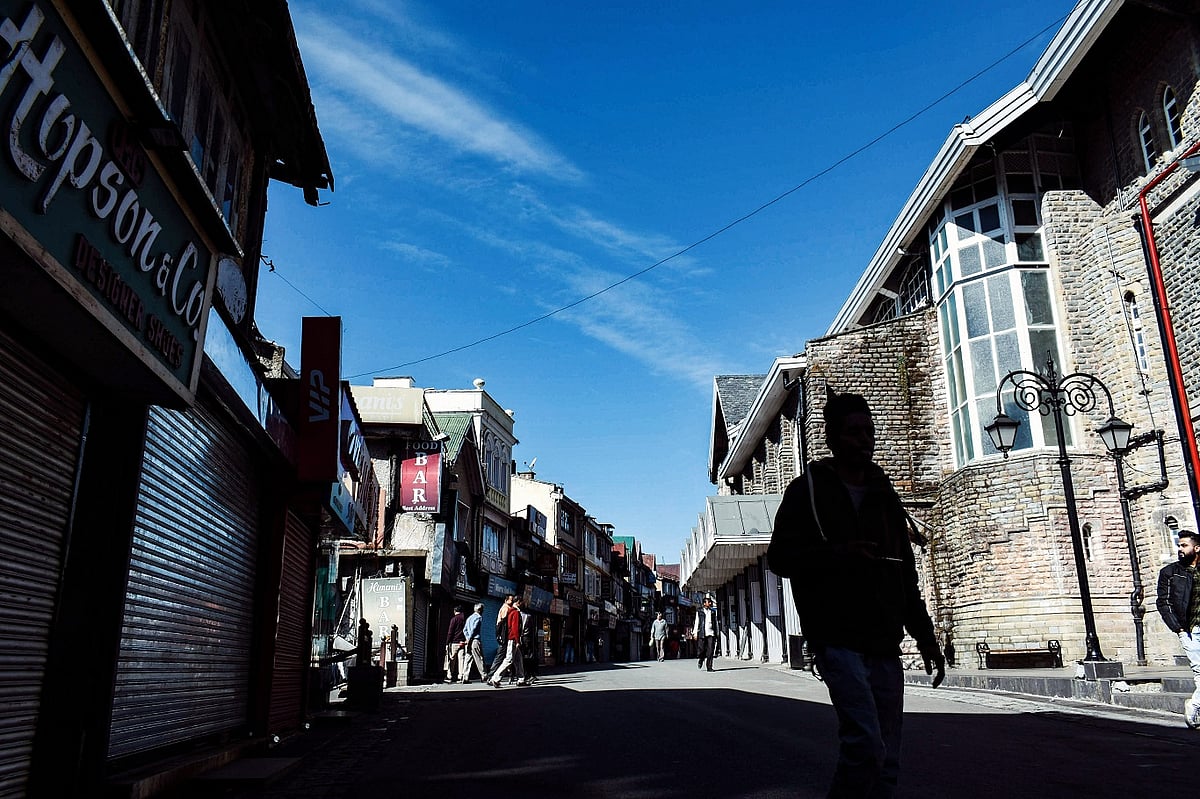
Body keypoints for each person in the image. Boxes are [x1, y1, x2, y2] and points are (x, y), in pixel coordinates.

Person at [768, 391, 944, 799]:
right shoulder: (807, 491)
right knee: (864, 747)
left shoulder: (885, 495)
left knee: (887, 763)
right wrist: (836, 555)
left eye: (869, 432)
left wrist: (926, 637)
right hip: (837, 638)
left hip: (884, 641)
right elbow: (780, 558)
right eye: (854, 432)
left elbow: (906, 573)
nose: (865, 440)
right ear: (832, 438)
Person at [1156, 530, 1200, 728]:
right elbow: (1163, 602)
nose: (1180, 549)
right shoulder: (1170, 572)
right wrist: (1178, 627)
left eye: (1184, 545)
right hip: (1189, 629)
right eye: (1179, 545)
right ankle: (1195, 706)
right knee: (1199, 669)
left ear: (1196, 548)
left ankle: (1195, 705)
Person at [489, 596, 527, 687]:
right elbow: (515, 628)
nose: (522, 604)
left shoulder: (509, 611)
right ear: (518, 602)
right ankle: (495, 678)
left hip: (511, 639)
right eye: (521, 602)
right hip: (513, 639)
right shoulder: (516, 613)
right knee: (509, 659)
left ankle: (521, 679)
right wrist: (517, 640)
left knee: (519, 659)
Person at [484, 595, 514, 682]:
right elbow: (503, 623)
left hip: (504, 636)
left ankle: (509, 675)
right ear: (506, 600)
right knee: (500, 656)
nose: (512, 602)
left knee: (508, 657)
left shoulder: (508, 608)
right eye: (510, 600)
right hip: (504, 637)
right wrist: (502, 636)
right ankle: (491, 675)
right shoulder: (506, 608)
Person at [461, 603, 486, 684]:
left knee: (467, 659)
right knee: (479, 658)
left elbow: (464, 629)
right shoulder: (478, 617)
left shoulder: (469, 618)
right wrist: (470, 638)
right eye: (482, 609)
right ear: (480, 610)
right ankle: (484, 675)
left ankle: (465, 677)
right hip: (475, 640)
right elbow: (474, 629)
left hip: (468, 640)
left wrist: (467, 638)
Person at [443, 605, 466, 683]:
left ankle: (449, 676)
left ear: (455, 611)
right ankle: (461, 676)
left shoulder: (454, 619)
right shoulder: (464, 619)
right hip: (462, 642)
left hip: (454, 642)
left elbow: (450, 632)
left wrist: (447, 642)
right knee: (461, 659)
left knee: (452, 659)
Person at [693, 596, 717, 671]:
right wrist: (695, 633)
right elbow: (697, 622)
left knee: (710, 650)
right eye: (708, 602)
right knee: (701, 650)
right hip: (702, 633)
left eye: (710, 602)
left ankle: (709, 667)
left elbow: (715, 623)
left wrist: (716, 633)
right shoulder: (699, 611)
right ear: (704, 603)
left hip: (711, 633)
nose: (710, 603)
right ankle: (701, 659)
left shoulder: (713, 612)